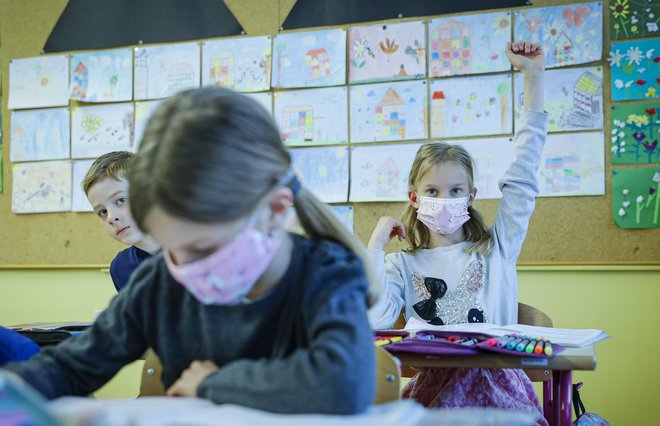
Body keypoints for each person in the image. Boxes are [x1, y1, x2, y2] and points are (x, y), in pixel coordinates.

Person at [3, 87, 378, 414]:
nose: (183, 268)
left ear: (275, 211)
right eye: (170, 247)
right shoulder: (158, 283)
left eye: (202, 248)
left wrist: (212, 384)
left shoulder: (327, 273)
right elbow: (70, 367)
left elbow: (341, 385)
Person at [367, 41, 548, 423]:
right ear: (414, 198)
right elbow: (376, 320)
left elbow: (523, 179)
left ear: (471, 196)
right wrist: (376, 244)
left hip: (498, 386)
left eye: (455, 191)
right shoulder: (402, 263)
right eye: (432, 192)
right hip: (434, 389)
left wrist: (533, 78)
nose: (444, 199)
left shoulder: (496, 249)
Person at [82, 151, 160, 292]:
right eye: (103, 212)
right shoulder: (121, 267)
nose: (111, 218)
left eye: (121, 200)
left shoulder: (196, 248)